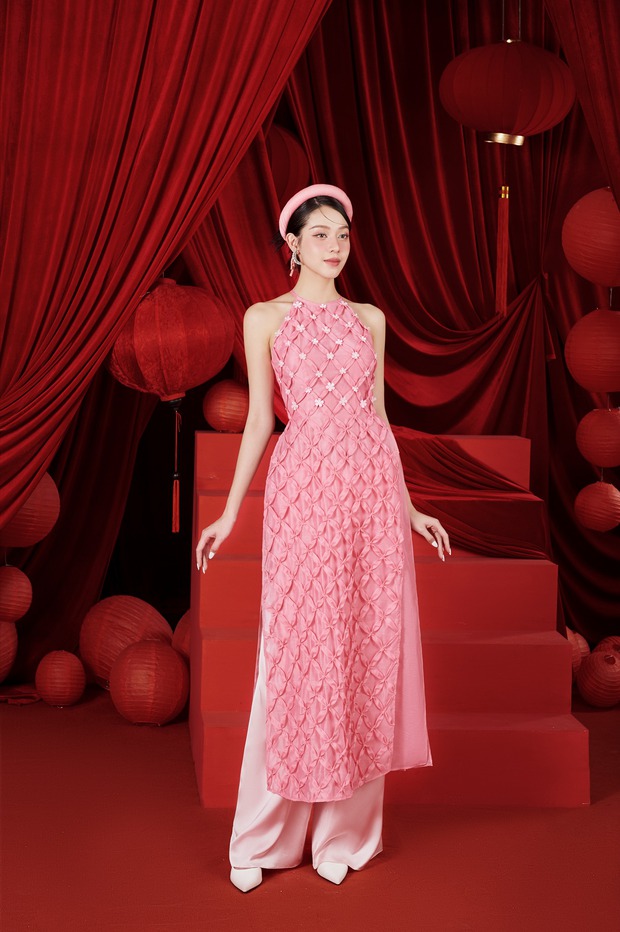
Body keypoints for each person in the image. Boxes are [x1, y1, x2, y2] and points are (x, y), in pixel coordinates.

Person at [195, 183, 450, 893]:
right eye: (320, 235)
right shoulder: (264, 318)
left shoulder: (370, 319)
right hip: (302, 492)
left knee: (362, 652)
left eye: (342, 234)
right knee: (297, 655)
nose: (335, 246)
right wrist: (230, 513)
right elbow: (259, 421)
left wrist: (408, 508)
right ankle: (263, 835)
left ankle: (344, 834)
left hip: (370, 496)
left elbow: (380, 420)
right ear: (293, 245)